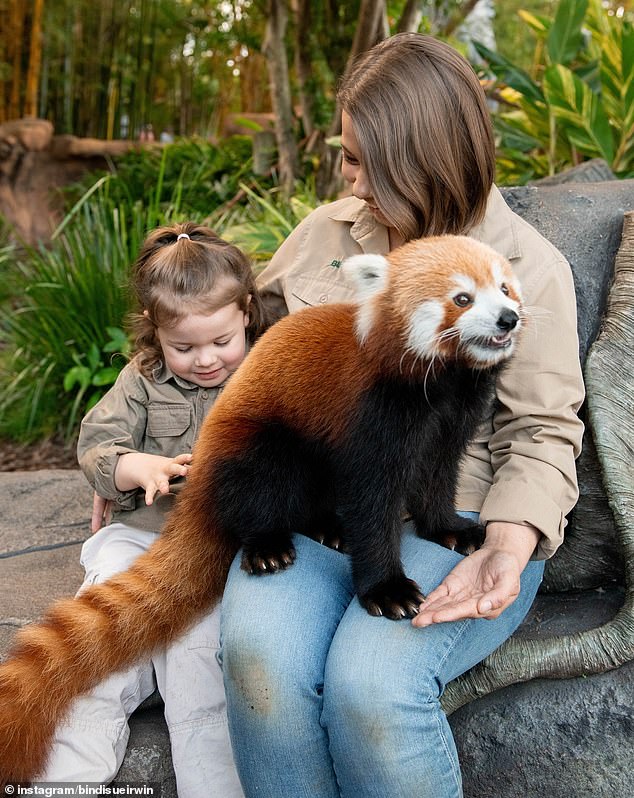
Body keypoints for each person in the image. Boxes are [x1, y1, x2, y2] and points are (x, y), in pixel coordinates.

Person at [219, 33, 585, 798]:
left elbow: (543, 433)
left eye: (359, 161)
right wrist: (126, 445)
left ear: (422, 160)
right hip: (321, 508)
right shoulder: (327, 235)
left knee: (371, 684)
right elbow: (224, 340)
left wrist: (509, 543)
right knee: (260, 660)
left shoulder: (527, 269)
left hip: (449, 520)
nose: (345, 178)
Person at [40, 222, 266, 797]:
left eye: (220, 342)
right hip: (138, 540)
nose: (206, 360)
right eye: (184, 348)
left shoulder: (266, 373)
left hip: (212, 552)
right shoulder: (140, 380)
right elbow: (96, 446)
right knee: (99, 649)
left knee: (200, 668)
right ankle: (64, 782)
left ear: (245, 312)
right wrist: (133, 467)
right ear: (154, 331)